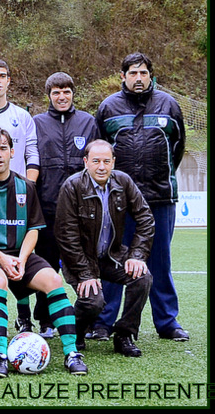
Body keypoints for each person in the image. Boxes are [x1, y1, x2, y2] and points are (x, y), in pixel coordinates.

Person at [0, 127, 87, 376]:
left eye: (3, 148)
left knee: (53, 279)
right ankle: (0, 355)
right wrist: (1, 258)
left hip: (20, 254)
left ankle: (72, 353)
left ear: (12, 152)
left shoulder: (26, 186)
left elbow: (33, 229)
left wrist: (21, 258)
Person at [93, 52, 188, 342]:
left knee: (160, 262)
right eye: (133, 73)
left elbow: (177, 147)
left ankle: (167, 322)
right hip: (118, 201)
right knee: (114, 259)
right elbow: (99, 151)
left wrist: (160, 176)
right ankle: (103, 322)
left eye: (143, 73)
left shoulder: (169, 105)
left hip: (160, 198)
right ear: (122, 76)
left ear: (151, 76)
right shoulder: (108, 107)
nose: (138, 78)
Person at [55, 140, 155, 358]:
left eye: (106, 161)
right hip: (80, 260)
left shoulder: (123, 181)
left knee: (143, 278)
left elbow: (146, 218)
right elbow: (66, 236)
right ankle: (76, 331)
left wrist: (137, 256)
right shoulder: (72, 186)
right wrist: (86, 274)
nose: (101, 167)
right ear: (86, 162)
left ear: (113, 162)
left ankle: (124, 334)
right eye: (96, 161)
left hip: (112, 255)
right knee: (94, 302)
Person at [28, 72, 100, 338]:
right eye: (56, 92)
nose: (62, 97)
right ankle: (45, 320)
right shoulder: (37, 123)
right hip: (47, 208)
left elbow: (97, 161)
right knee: (46, 265)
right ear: (49, 95)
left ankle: (87, 320)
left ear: (73, 94)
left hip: (81, 210)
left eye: (66, 91)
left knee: (84, 264)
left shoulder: (88, 122)